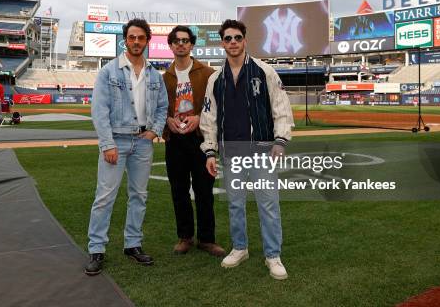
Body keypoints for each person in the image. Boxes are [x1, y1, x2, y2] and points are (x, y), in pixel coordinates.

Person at [199, 19, 294, 280]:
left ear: (244, 40)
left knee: (269, 206)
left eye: (237, 37)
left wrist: (280, 140)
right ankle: (240, 248)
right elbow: (209, 117)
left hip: (262, 151)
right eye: (228, 38)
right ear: (222, 43)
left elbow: (281, 108)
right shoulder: (215, 79)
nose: (233, 42)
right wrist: (209, 150)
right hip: (231, 153)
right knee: (235, 205)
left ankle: (273, 255)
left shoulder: (265, 71)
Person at [85, 18, 168, 276]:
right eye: (131, 37)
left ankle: (132, 244)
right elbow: (99, 111)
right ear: (125, 39)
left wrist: (154, 130)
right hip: (116, 142)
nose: (135, 42)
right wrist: (107, 143)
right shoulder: (109, 71)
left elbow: (163, 106)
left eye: (140, 38)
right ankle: (96, 248)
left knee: (139, 196)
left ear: (147, 41)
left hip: (143, 142)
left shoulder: (154, 74)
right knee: (105, 197)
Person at [162, 25, 225, 257]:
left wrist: (200, 117)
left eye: (185, 40)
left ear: (191, 44)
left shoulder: (207, 73)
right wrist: (166, 121)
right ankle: (185, 236)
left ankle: (207, 239)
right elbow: (159, 109)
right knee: (179, 190)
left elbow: (218, 106)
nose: (181, 44)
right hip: (175, 140)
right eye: (176, 41)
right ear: (170, 45)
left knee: (204, 190)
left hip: (200, 140)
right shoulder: (165, 77)